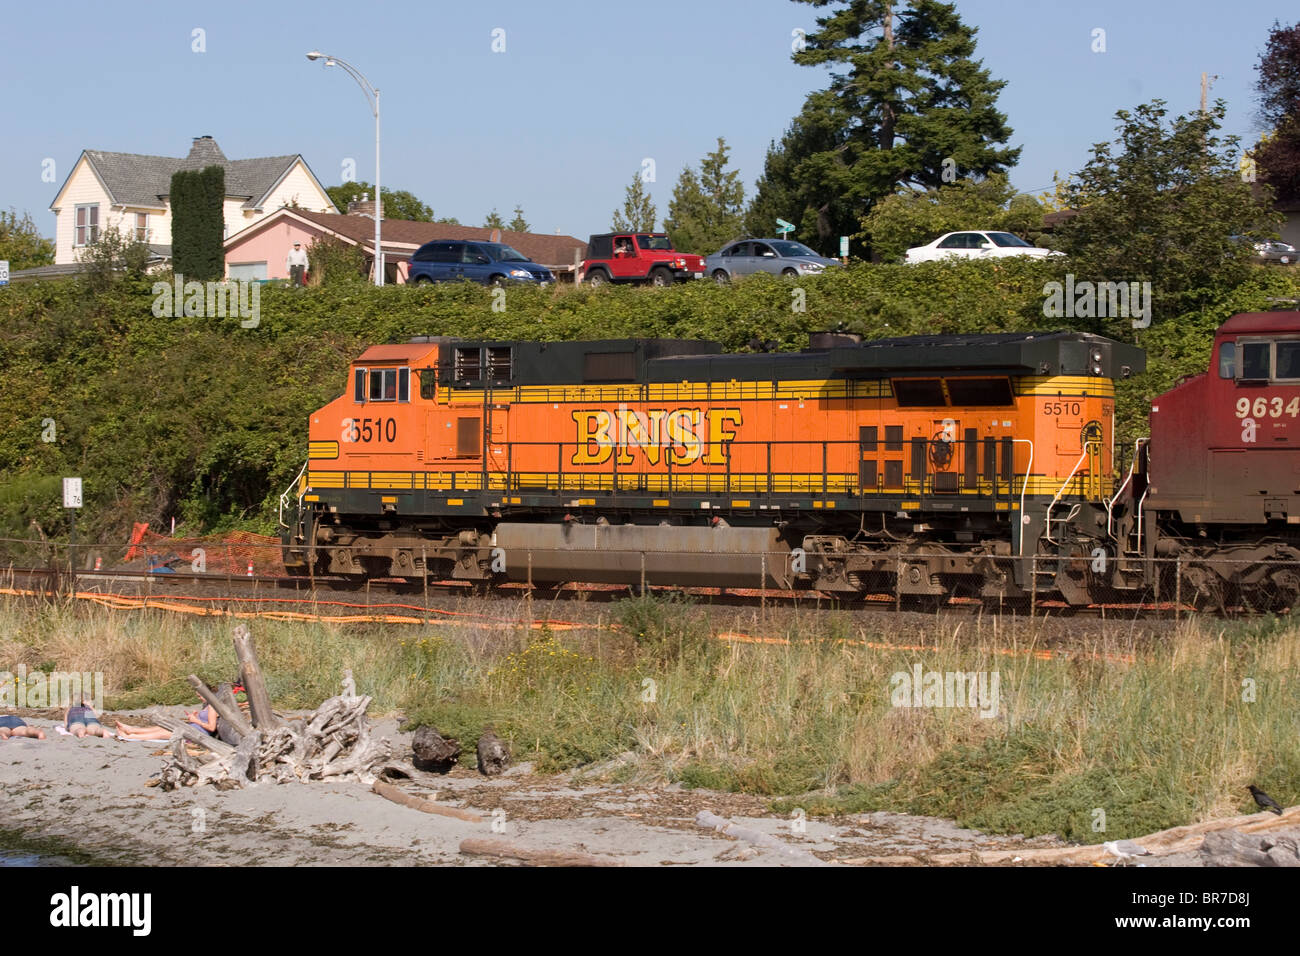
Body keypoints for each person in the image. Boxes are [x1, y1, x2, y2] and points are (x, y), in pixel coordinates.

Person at [116, 703, 217, 741]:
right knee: (162, 727)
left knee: (161, 733)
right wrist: (196, 717)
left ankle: (131, 736)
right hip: (192, 727)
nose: (200, 698)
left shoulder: (213, 706)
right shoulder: (207, 705)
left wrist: (196, 720)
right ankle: (132, 730)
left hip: (196, 733)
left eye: (200, 696)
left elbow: (211, 727)